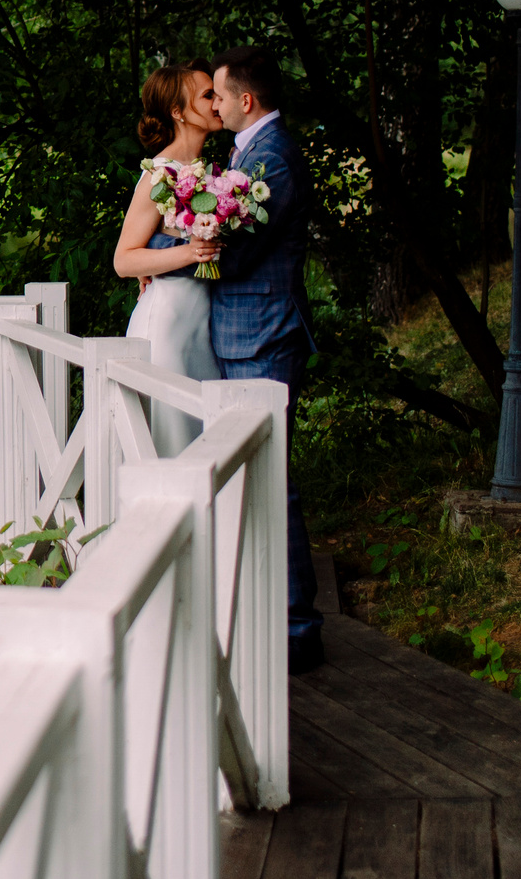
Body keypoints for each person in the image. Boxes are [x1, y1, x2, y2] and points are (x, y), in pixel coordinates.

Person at [206, 44, 324, 673]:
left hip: (265, 335)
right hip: (246, 334)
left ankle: (299, 629)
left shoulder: (271, 155)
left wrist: (181, 247)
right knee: (258, 481)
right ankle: (271, 614)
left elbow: (239, 254)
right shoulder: (249, 150)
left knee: (272, 484)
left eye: (220, 96)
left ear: (245, 100)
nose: (215, 105)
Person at [112, 60, 222, 453]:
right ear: (178, 112)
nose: (217, 102)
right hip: (170, 324)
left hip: (202, 320)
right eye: (208, 95)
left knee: (205, 435)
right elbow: (124, 260)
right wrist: (190, 253)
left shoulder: (210, 172)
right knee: (173, 440)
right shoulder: (161, 175)